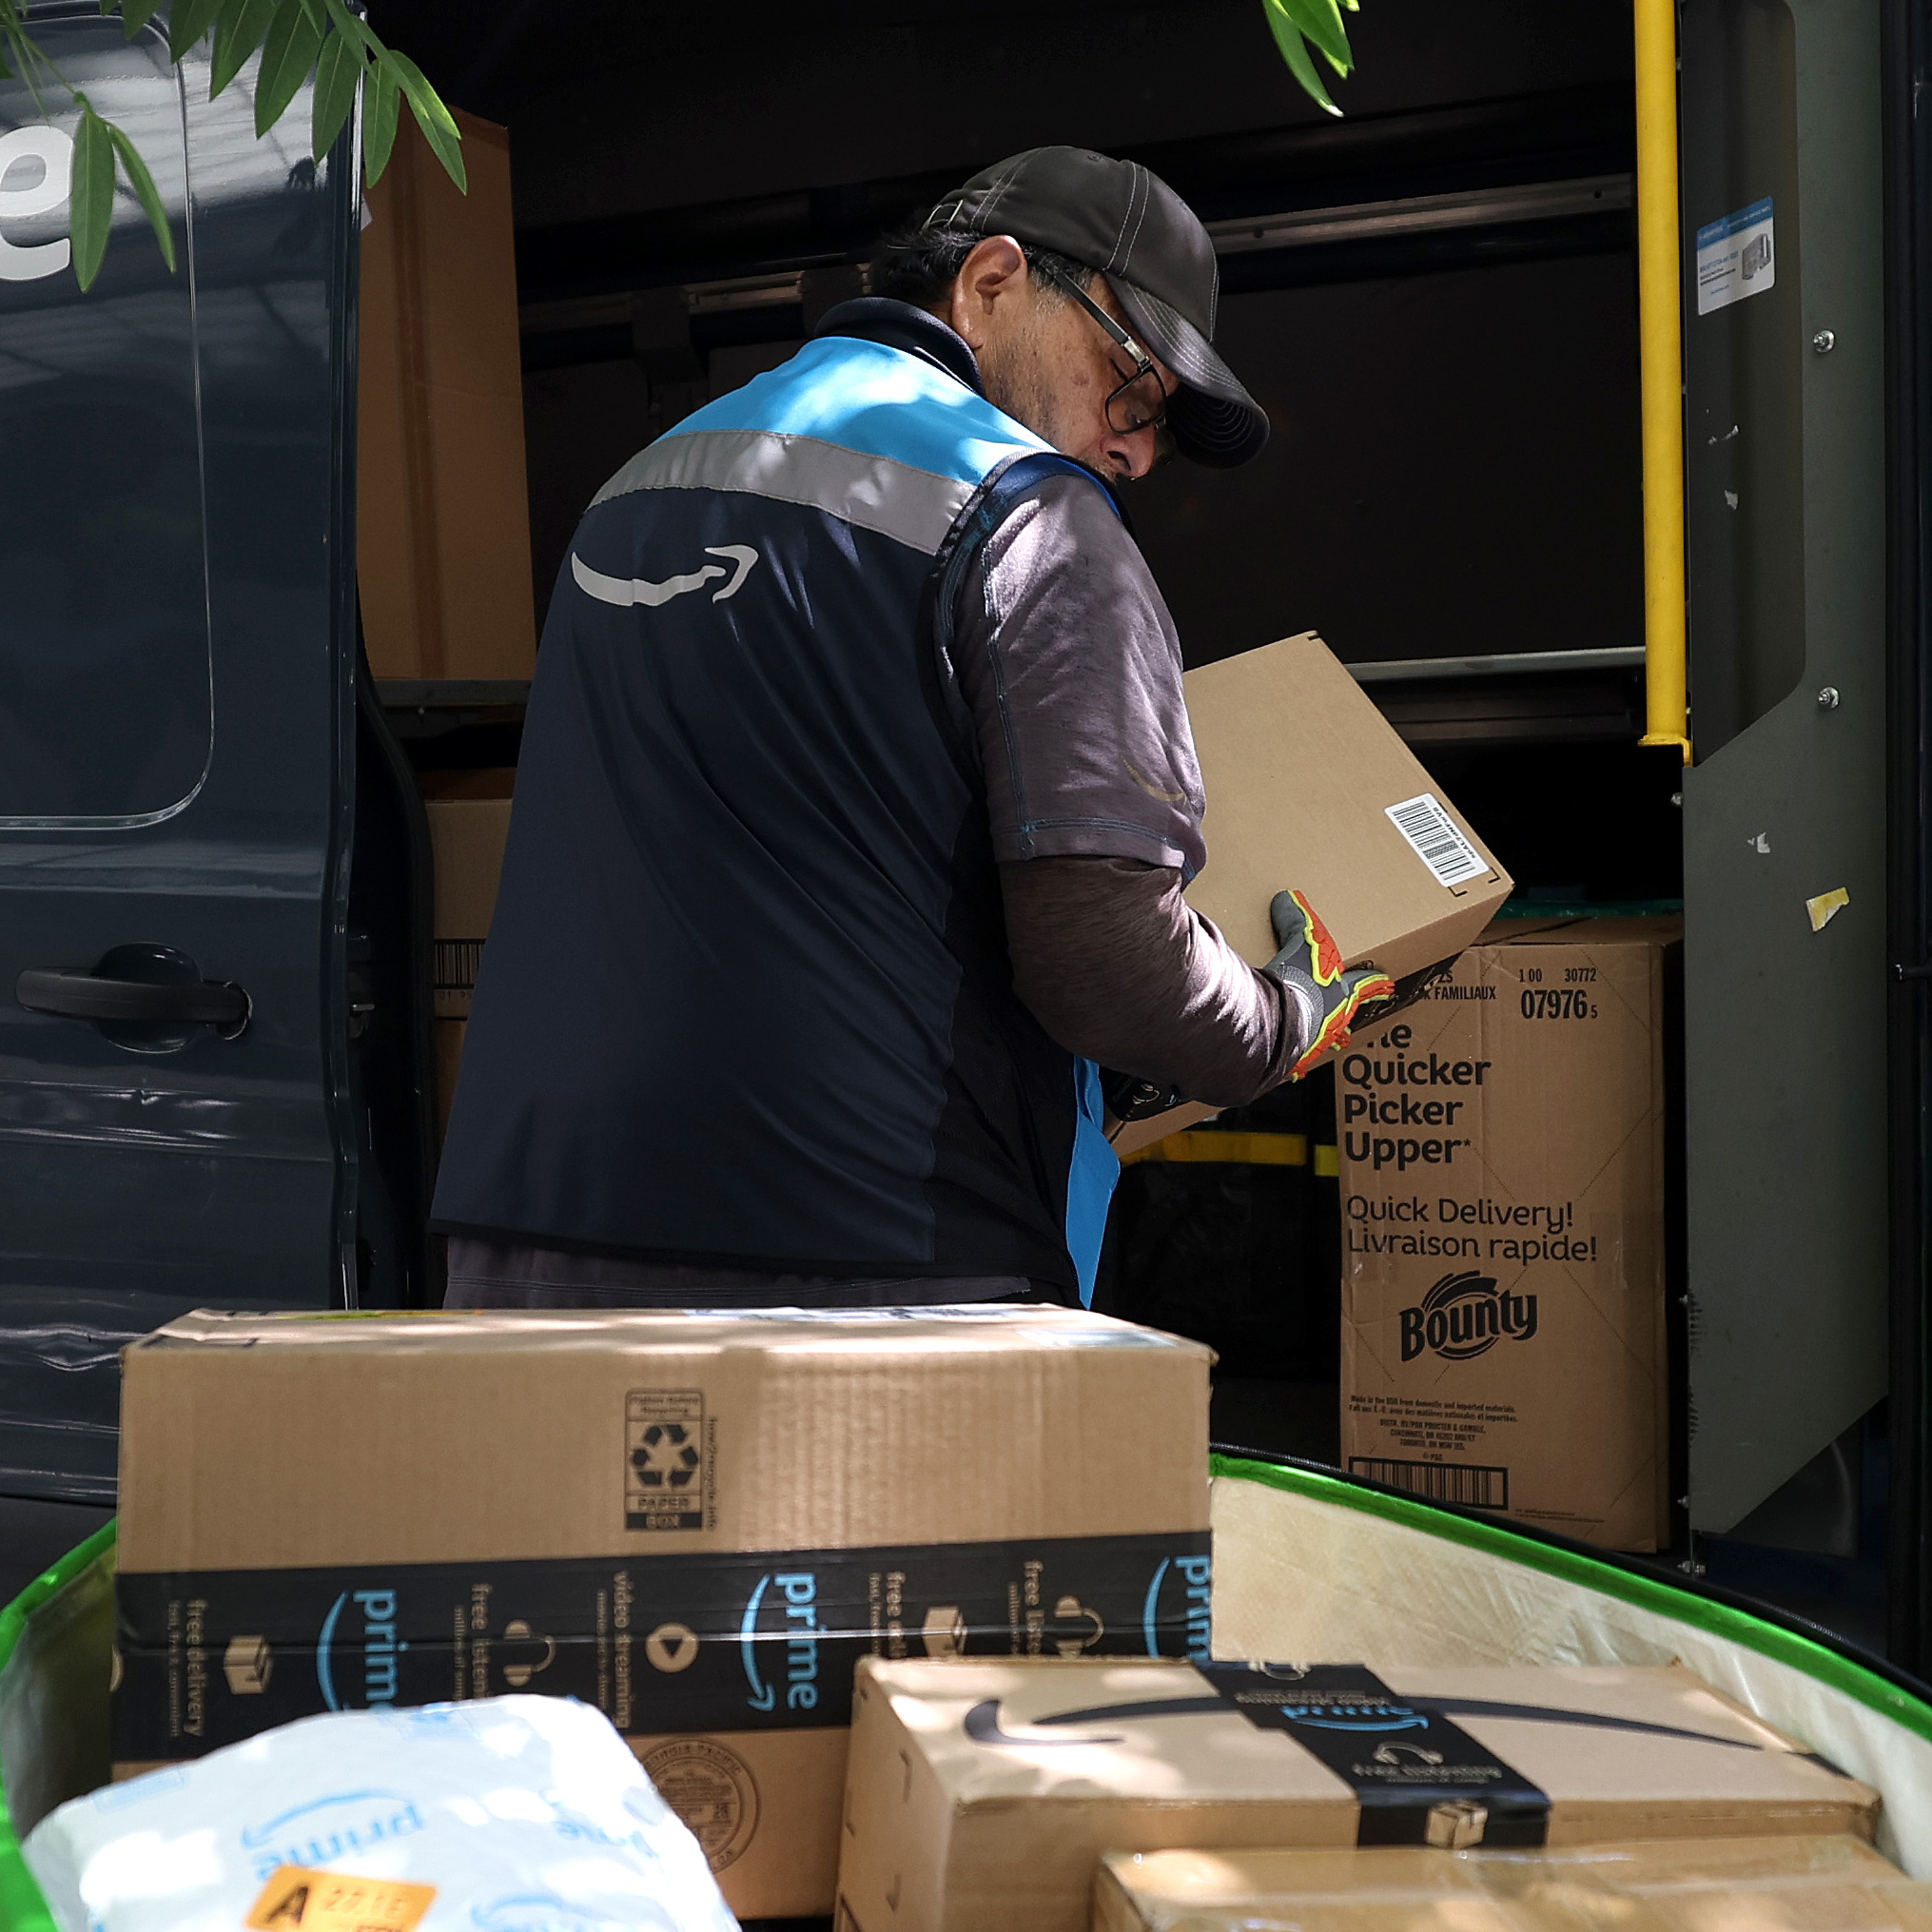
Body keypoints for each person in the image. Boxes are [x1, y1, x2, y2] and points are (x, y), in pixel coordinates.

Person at [431, 145, 1393, 1311]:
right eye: (1131, 386)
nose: (1136, 448)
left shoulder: (637, 488)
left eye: (1161, 432)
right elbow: (1101, 956)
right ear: (991, 283)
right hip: (870, 1268)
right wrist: (1281, 1022)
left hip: (535, 1242)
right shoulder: (1030, 518)